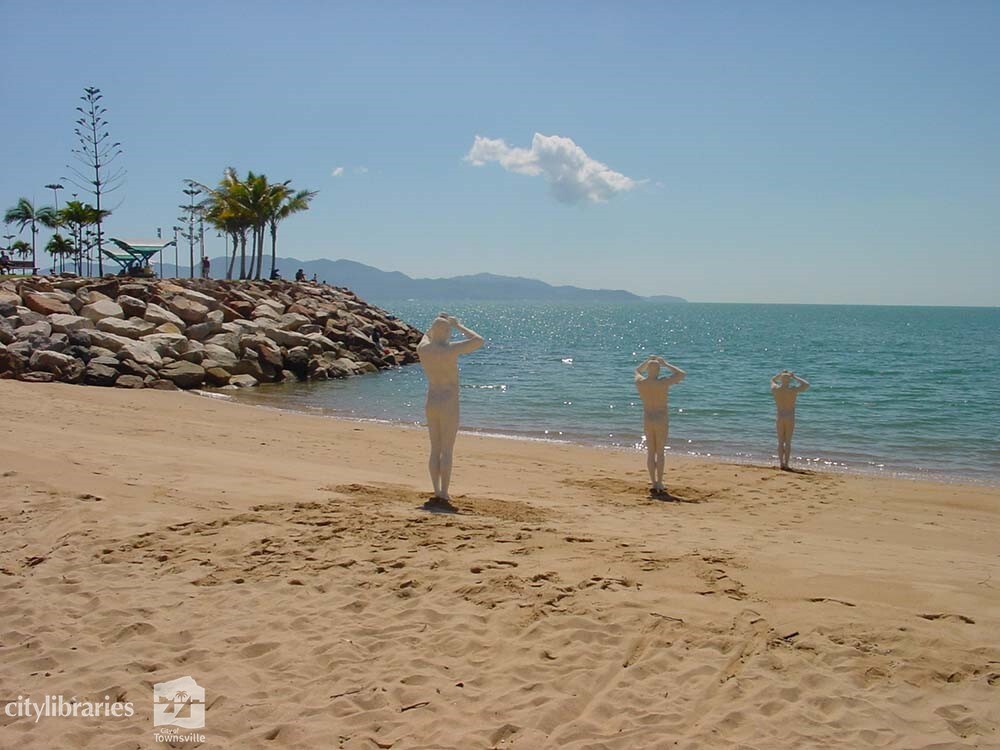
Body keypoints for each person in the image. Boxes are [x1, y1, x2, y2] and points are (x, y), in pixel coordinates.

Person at [417, 313, 484, 503]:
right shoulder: (450, 350)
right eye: (449, 331)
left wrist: (437, 323)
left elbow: (427, 336)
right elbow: (478, 340)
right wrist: (458, 325)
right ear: (446, 332)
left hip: (432, 400)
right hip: (448, 401)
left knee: (434, 447)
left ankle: (436, 489)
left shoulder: (423, 349)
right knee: (446, 449)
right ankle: (444, 492)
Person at [634, 355, 686, 494]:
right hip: (661, 418)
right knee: (660, 452)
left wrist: (647, 360)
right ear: (658, 370)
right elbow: (681, 374)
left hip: (648, 418)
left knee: (651, 451)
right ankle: (660, 483)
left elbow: (637, 370)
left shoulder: (641, 383)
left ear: (648, 370)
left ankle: (653, 482)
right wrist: (666, 364)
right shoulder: (663, 383)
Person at [771, 370, 810, 470]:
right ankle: (787, 464)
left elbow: (772, 380)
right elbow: (806, 384)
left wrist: (780, 374)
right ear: (789, 380)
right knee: (788, 442)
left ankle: (781, 463)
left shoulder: (776, 389)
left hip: (780, 417)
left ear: (781, 380)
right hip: (790, 417)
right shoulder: (793, 390)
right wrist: (794, 376)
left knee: (780, 442)